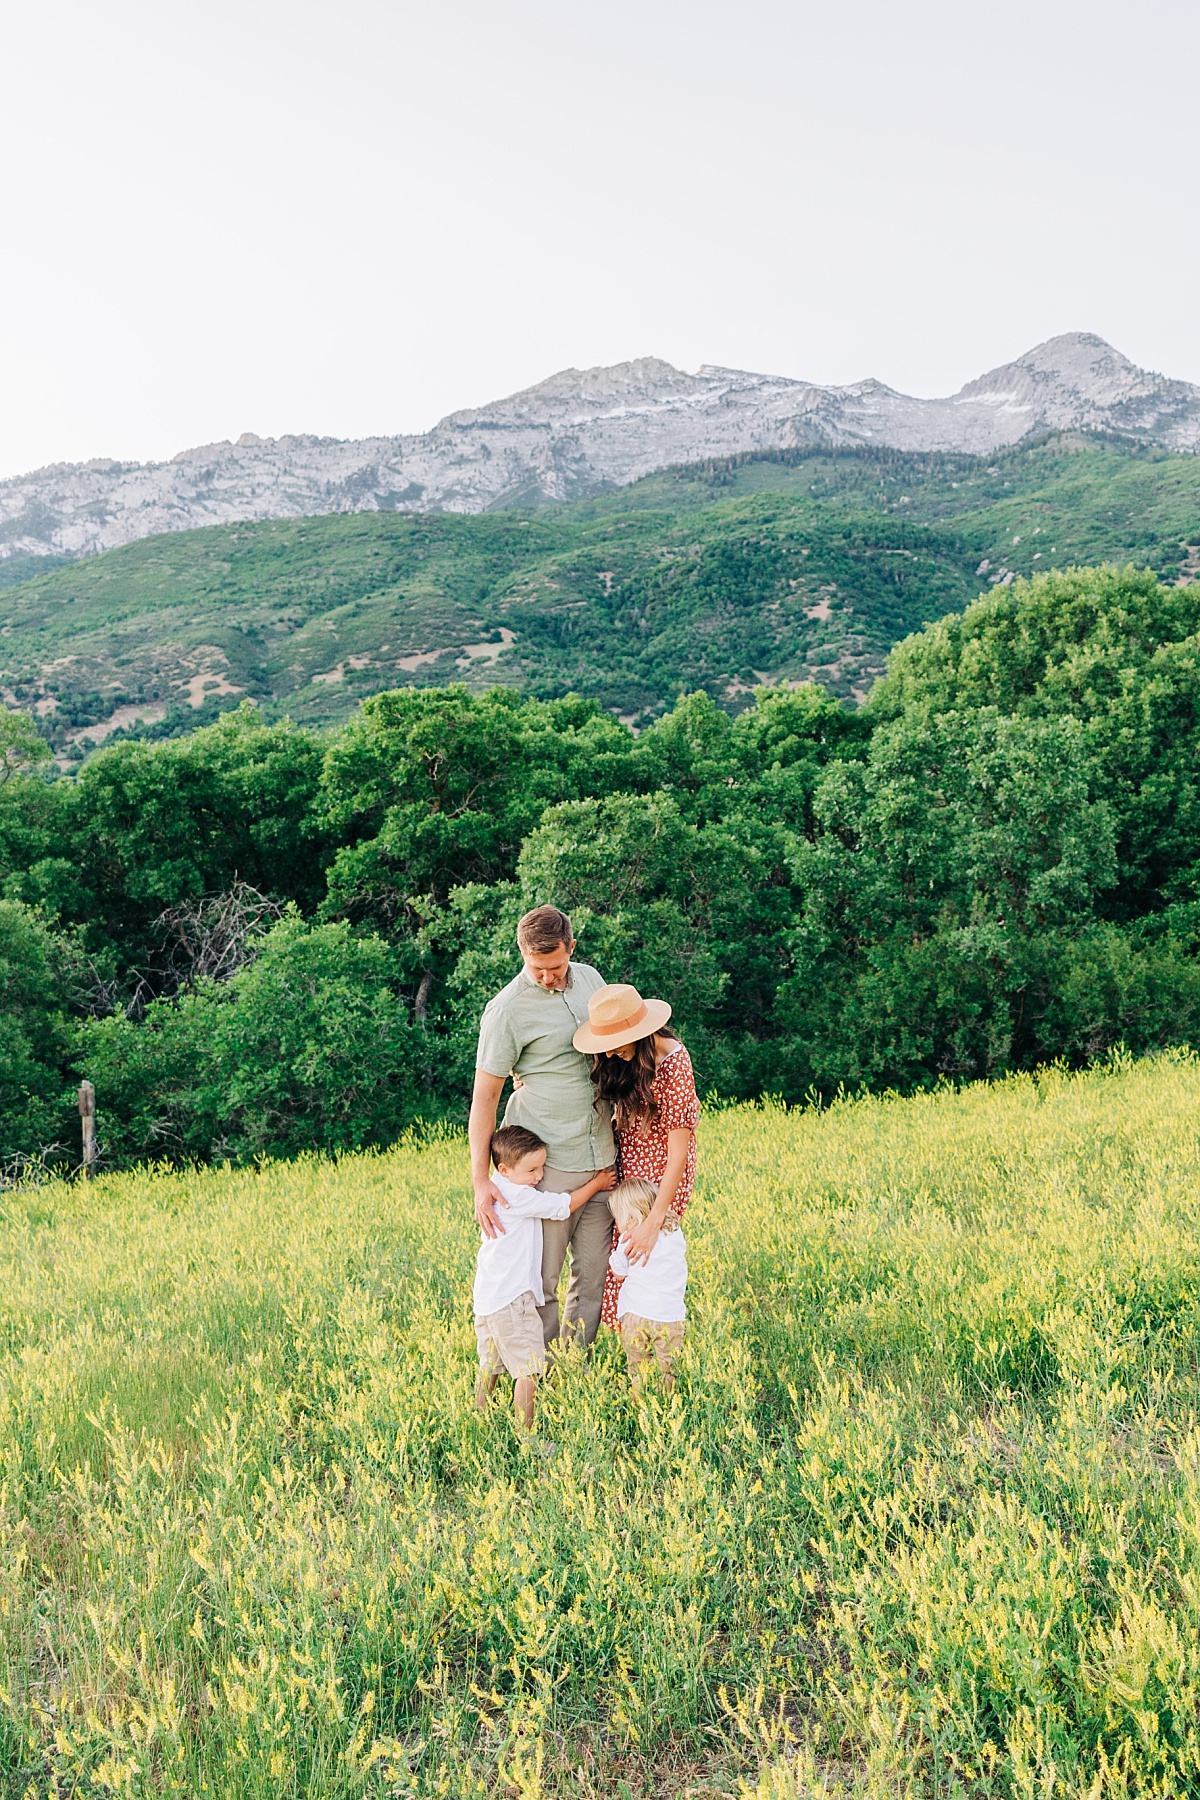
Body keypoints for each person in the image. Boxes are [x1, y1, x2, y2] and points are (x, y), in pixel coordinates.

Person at [470, 905, 617, 1349]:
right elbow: (485, 1098)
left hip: (601, 1160)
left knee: (592, 1279)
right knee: (541, 1282)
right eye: (537, 969)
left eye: (555, 967)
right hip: (544, 1169)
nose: (548, 977)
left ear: (571, 948)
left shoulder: (592, 980)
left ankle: (577, 1370)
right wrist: (480, 1181)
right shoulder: (506, 1010)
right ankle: (539, 1375)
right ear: (523, 955)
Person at [570, 982, 699, 1334]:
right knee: (623, 1263)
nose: (609, 1054)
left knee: (649, 1258)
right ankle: (632, 1352)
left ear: (640, 1033)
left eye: (615, 1045)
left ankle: (660, 1346)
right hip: (626, 1165)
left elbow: (679, 1154)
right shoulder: (623, 1058)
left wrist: (655, 1218)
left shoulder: (673, 1063)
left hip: (658, 1179)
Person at [474, 1125, 617, 1431]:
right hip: (513, 1300)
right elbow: (561, 1207)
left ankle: (479, 1421)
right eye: (531, 1170)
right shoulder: (517, 1196)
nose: (538, 1177)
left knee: (491, 1364)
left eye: (541, 1168)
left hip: (488, 1300)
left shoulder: (498, 1185)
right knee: (529, 1370)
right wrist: (599, 1183)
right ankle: (528, 1437)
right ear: (504, 1168)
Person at [607, 1177, 687, 1389]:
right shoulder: (675, 1232)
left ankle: (639, 1405)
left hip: (637, 1314)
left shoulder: (628, 1239)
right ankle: (668, 1406)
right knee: (668, 1367)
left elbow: (618, 1273)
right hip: (671, 1316)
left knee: (638, 1366)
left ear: (630, 1217)